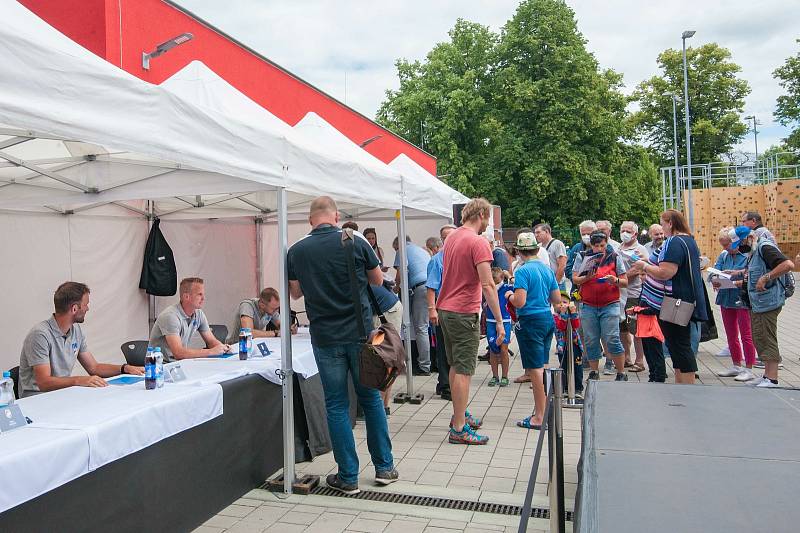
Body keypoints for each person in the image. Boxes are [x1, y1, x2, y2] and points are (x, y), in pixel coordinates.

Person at [287, 196, 397, 494]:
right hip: (361, 334)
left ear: (310, 220)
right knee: (371, 398)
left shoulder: (295, 250)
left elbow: (295, 294)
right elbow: (377, 280)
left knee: (336, 404)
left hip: (325, 337)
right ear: (335, 216)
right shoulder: (355, 240)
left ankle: (348, 477)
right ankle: (384, 467)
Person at [437, 198, 505, 445]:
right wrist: (499, 320)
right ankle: (459, 428)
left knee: (456, 365)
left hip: (445, 308)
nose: (489, 224)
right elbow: (488, 284)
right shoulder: (477, 242)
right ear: (482, 215)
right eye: (489, 219)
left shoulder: (452, 238)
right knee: (464, 370)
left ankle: (459, 413)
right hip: (464, 312)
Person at [19, 282, 144, 397]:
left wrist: (124, 368)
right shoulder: (40, 335)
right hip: (37, 399)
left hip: (61, 395)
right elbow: (44, 383)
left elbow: (94, 368)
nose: (87, 309)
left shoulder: (76, 331)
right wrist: (78, 380)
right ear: (74, 309)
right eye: (86, 305)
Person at [633, 209, 707, 385]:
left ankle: (686, 386)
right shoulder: (689, 240)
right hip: (684, 299)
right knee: (676, 345)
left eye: (663, 223)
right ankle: (681, 384)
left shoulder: (674, 242)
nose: (662, 227)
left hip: (675, 301)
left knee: (680, 346)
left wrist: (644, 265)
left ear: (670, 223)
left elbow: (665, 272)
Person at [507, 232, 560, 429]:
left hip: (530, 320)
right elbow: (556, 298)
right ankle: (544, 410)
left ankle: (540, 415)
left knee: (535, 370)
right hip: (547, 317)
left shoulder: (522, 271)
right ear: (537, 249)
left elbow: (520, 301)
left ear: (519, 252)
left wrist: (509, 296)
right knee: (543, 365)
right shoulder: (547, 269)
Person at [732, 226, 794, 387]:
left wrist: (766, 277)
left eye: (741, 243)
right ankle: (767, 375)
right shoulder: (754, 251)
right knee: (760, 337)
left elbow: (788, 264)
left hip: (769, 301)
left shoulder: (764, 247)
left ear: (749, 237)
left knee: (767, 338)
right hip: (758, 302)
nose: (740, 248)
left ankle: (772, 378)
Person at [572, 231, 629, 381]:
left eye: (602, 245)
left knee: (612, 338)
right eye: (596, 245)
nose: (599, 248)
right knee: (591, 339)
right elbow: (575, 279)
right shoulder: (583, 256)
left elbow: (625, 282)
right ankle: (594, 371)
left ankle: (621, 372)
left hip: (610, 304)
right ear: (591, 245)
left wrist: (614, 280)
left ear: (607, 243)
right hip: (588, 304)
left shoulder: (615, 256)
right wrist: (587, 277)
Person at [709, 227, 757, 382]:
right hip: (726, 298)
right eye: (722, 245)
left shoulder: (749, 254)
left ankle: (749, 367)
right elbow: (713, 273)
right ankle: (736, 365)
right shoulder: (724, 255)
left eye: (727, 244)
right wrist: (716, 279)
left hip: (742, 299)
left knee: (746, 334)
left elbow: (752, 273)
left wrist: (737, 276)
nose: (725, 248)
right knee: (731, 334)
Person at [149, 277, 229, 363]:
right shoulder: (170, 316)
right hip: (161, 367)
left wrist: (223, 348)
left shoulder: (199, 314)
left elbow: (211, 341)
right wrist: (211, 351)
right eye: (199, 294)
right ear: (186, 296)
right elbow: (178, 353)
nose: (203, 298)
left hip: (181, 364)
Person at [393, 235, 432, 375]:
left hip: (420, 289)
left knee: (421, 328)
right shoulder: (420, 250)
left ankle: (424, 366)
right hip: (430, 287)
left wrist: (395, 289)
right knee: (423, 327)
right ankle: (426, 362)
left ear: (397, 245)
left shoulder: (401, 250)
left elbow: (400, 275)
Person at [427, 224, 457, 400]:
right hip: (443, 308)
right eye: (446, 237)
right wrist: (432, 310)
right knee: (444, 349)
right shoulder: (437, 260)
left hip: (459, 309)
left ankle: (444, 383)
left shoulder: (460, 256)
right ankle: (446, 386)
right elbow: (431, 287)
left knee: (453, 349)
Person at [617, 221, 649, 372]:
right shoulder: (618, 248)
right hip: (619, 295)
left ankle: (640, 360)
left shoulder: (639, 249)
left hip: (633, 294)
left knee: (636, 329)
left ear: (635, 234)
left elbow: (638, 270)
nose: (625, 233)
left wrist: (619, 279)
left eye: (628, 231)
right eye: (623, 230)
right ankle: (627, 358)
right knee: (622, 328)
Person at [370, 283, 403, 415]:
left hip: (386, 312)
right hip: (389, 308)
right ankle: (383, 407)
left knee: (384, 360)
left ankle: (380, 408)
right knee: (387, 360)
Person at [226, 287, 296, 344]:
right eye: (274, 309)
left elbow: (282, 326)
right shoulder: (247, 306)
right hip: (237, 347)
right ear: (262, 305)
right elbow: (249, 333)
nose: (276, 311)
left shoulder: (270, 310)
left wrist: (289, 329)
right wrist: (275, 333)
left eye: (277, 308)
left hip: (252, 344)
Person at [486, 267, 513, 387]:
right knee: (492, 348)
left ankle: (505, 376)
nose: (492, 280)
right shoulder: (487, 288)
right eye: (490, 278)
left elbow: (519, 286)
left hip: (505, 320)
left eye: (494, 278)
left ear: (501, 278)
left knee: (504, 349)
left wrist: (509, 276)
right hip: (490, 321)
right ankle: (495, 376)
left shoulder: (507, 287)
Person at [554, 292, 584, 398]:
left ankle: (578, 388)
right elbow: (561, 326)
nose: (562, 305)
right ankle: (566, 388)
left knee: (577, 367)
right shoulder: (555, 317)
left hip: (575, 345)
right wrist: (563, 314)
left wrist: (573, 312)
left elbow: (576, 325)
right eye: (559, 303)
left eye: (565, 302)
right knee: (564, 367)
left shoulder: (572, 315)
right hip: (563, 347)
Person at [534, 223, 568, 290]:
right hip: (544, 284)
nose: (536, 235)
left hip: (557, 284)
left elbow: (562, 266)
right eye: (535, 233)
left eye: (538, 232)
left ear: (546, 231)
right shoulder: (538, 246)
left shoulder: (557, 244)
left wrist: (555, 284)